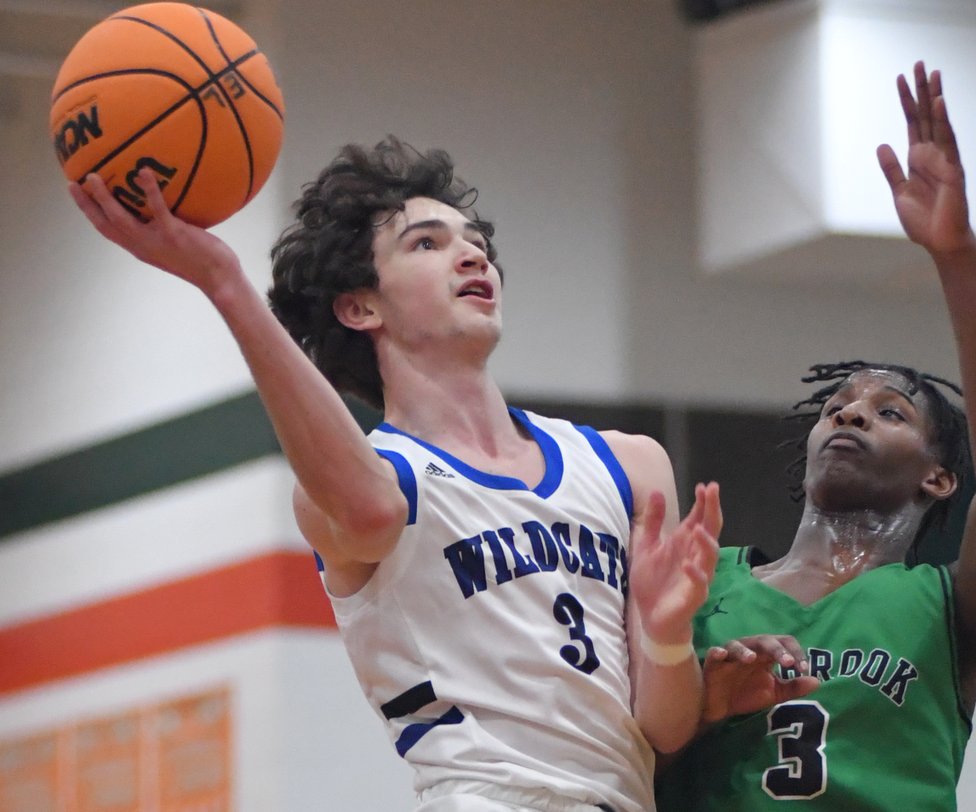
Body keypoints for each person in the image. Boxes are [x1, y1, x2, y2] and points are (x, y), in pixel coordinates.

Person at [69, 138, 722, 812]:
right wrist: (225, 283)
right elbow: (372, 513)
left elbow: (663, 730)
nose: (473, 256)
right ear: (360, 307)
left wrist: (668, 636)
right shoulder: (381, 487)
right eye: (427, 244)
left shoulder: (627, 464)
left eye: (476, 242)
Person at [655, 61, 976, 811]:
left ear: (937, 478)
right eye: (837, 405)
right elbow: (631, 766)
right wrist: (702, 706)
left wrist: (957, 260)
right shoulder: (704, 589)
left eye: (891, 411)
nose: (851, 413)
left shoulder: (949, 607)